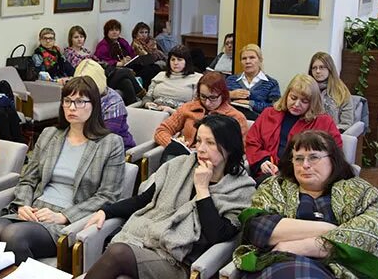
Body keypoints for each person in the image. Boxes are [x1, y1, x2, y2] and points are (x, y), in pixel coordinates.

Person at [84, 114, 256, 279]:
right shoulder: (180, 165)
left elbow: (217, 236)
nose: (201, 149)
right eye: (198, 141)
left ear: (230, 147)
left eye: (210, 143)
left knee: (118, 253)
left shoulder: (241, 189)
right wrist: (106, 211)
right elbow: (144, 200)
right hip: (147, 243)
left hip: (180, 263)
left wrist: (203, 189)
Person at [0, 76, 125, 263]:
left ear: (94, 105)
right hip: (35, 208)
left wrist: (64, 216)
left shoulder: (110, 143)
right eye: (67, 101)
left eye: (80, 101)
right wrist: (23, 205)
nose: (72, 107)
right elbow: (27, 179)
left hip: (68, 216)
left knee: (14, 236)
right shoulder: (50, 135)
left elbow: (108, 195)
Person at [234, 130, 378, 279]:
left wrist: (307, 246)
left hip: (338, 269)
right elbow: (256, 228)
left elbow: (376, 226)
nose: (305, 165)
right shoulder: (275, 186)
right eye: (298, 158)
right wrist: (331, 230)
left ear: (333, 159)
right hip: (278, 263)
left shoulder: (358, 189)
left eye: (314, 157)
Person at [245, 74, 342, 182]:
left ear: (312, 102)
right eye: (293, 98)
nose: (296, 104)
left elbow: (334, 153)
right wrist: (262, 161)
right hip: (268, 172)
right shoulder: (269, 114)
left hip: (304, 177)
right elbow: (252, 141)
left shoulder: (324, 122)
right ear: (287, 95)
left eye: (304, 101)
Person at [155, 71, 249, 163]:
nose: (207, 102)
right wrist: (175, 146)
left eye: (213, 98)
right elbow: (161, 130)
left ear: (223, 95)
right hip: (182, 158)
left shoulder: (236, 117)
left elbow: (240, 149)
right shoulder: (188, 108)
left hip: (214, 164)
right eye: (203, 96)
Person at [64, 25, 144, 105]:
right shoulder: (69, 53)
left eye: (81, 37)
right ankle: (142, 94)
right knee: (126, 72)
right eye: (76, 37)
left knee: (126, 82)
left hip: (102, 73)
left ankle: (134, 106)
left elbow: (100, 61)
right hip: (91, 79)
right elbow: (80, 67)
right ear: (71, 39)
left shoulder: (85, 51)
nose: (79, 40)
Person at [74, 59, 135, 150]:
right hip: (86, 144)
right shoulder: (77, 97)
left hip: (116, 148)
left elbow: (105, 137)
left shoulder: (113, 102)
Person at [95, 19, 161, 89]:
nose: (114, 32)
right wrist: (118, 63)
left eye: (117, 30)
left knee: (154, 67)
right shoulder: (103, 45)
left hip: (129, 65)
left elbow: (132, 53)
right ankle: (143, 91)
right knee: (146, 71)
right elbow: (101, 60)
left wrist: (130, 58)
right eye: (111, 30)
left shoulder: (122, 41)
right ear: (106, 32)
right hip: (116, 69)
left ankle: (155, 89)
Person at [141, 45, 202, 114]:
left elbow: (195, 106)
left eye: (179, 59)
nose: (175, 63)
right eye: (173, 59)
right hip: (154, 112)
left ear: (187, 61)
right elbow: (147, 97)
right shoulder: (160, 75)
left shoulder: (196, 78)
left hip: (180, 115)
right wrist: (147, 103)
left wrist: (171, 111)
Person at [226, 44, 280, 120]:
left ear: (260, 60)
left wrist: (251, 104)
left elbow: (276, 108)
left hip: (259, 123)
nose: (247, 61)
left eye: (252, 58)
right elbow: (217, 101)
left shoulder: (271, 83)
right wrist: (229, 95)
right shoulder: (231, 80)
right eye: (244, 58)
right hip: (232, 121)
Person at [308, 52, 354, 132]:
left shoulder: (341, 92)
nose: (318, 71)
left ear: (330, 68)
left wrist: (330, 131)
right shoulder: (306, 88)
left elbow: (346, 124)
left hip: (331, 135)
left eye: (322, 67)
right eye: (314, 68)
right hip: (307, 133)